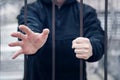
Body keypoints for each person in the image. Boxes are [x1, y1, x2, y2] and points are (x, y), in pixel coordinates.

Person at [9, 0, 104, 80]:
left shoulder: (86, 11)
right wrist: (32, 36)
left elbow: (97, 36)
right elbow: (29, 23)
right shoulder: (31, 9)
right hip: (37, 76)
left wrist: (92, 47)